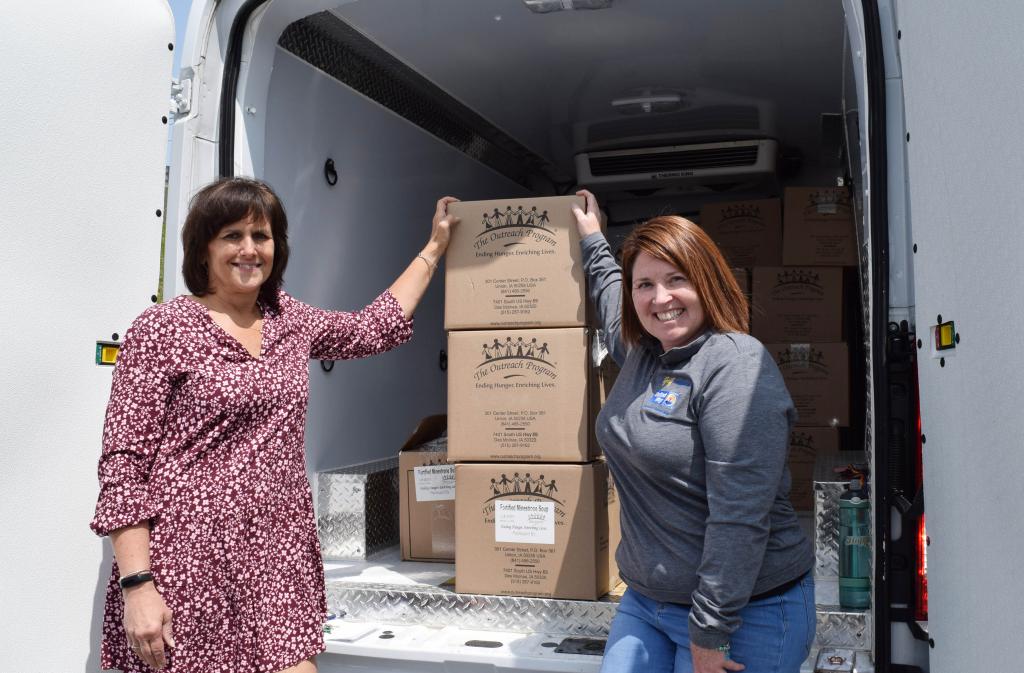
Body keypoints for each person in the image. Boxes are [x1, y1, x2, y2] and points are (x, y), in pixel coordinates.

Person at [89, 177, 459, 673]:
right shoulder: (161, 329)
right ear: (203, 249)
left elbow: (373, 326)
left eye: (260, 237)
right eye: (232, 236)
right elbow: (123, 465)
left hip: (276, 555)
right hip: (188, 565)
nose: (249, 250)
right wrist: (138, 586)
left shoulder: (289, 320)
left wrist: (435, 247)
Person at [570, 190, 815, 673]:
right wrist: (592, 236)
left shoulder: (735, 366)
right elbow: (608, 289)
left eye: (676, 280)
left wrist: (710, 631)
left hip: (745, 614)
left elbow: (740, 515)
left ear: (707, 282)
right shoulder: (646, 353)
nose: (660, 299)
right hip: (646, 603)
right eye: (645, 285)